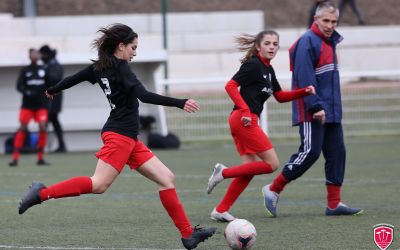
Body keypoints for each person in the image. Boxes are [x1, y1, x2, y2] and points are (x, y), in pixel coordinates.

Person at [18, 23, 216, 249]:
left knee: (166, 178)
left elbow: (75, 78)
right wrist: (179, 103)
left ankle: (188, 234)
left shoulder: (99, 67)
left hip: (128, 137)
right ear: (121, 46)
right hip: (120, 135)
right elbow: (144, 95)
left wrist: (53, 89)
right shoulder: (121, 67)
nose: (135, 52)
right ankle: (41, 193)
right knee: (99, 184)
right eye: (133, 47)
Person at [263, 2, 364, 217]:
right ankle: (273, 189)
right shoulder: (308, 41)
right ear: (316, 19)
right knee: (310, 152)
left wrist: (331, 108)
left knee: (338, 153)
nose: (330, 25)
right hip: (313, 109)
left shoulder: (330, 42)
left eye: (334, 21)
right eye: (325, 20)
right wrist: (315, 106)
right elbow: (304, 77)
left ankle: (334, 204)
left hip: (332, 110)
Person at [206, 30, 315, 222]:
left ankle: (221, 210)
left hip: (242, 119)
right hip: (243, 119)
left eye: (275, 44)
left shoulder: (268, 70)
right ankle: (223, 172)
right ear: (258, 46)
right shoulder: (253, 65)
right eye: (267, 43)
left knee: (249, 169)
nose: (272, 47)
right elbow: (230, 86)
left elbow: (280, 97)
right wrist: (246, 111)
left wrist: (304, 92)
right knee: (271, 164)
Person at [9, 48, 50, 167]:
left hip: (41, 105)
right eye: (33, 53)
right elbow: (19, 86)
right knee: (23, 128)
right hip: (27, 105)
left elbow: (49, 85)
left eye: (37, 53)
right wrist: (27, 92)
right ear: (29, 56)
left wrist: (48, 95)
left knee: (43, 127)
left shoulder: (43, 70)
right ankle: (15, 158)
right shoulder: (25, 70)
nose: (35, 55)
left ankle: (40, 158)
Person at [40, 45, 67, 153]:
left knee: (48, 119)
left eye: (42, 54)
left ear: (46, 54)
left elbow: (55, 79)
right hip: (49, 97)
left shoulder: (54, 65)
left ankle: (41, 146)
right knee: (53, 120)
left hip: (54, 97)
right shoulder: (48, 64)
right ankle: (61, 145)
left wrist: (44, 74)